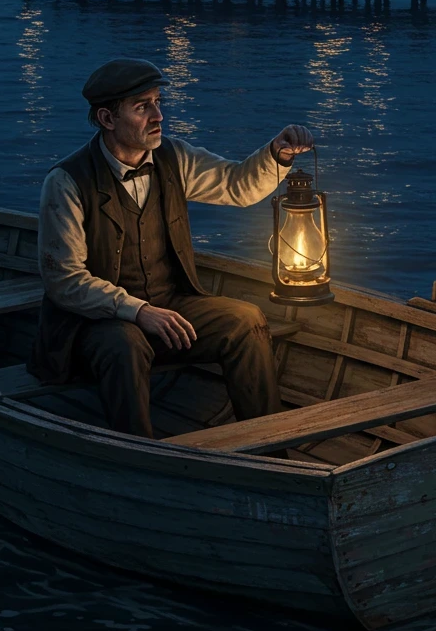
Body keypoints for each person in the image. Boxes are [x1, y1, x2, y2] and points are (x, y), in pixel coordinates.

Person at [31, 58, 314, 440]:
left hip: (169, 304)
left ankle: (269, 448)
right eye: (142, 106)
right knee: (125, 346)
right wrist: (139, 311)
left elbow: (236, 185)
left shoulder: (173, 157)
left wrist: (276, 155)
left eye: (158, 101)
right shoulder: (66, 181)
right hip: (96, 324)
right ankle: (141, 458)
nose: (158, 115)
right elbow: (64, 280)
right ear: (107, 118)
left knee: (246, 321)